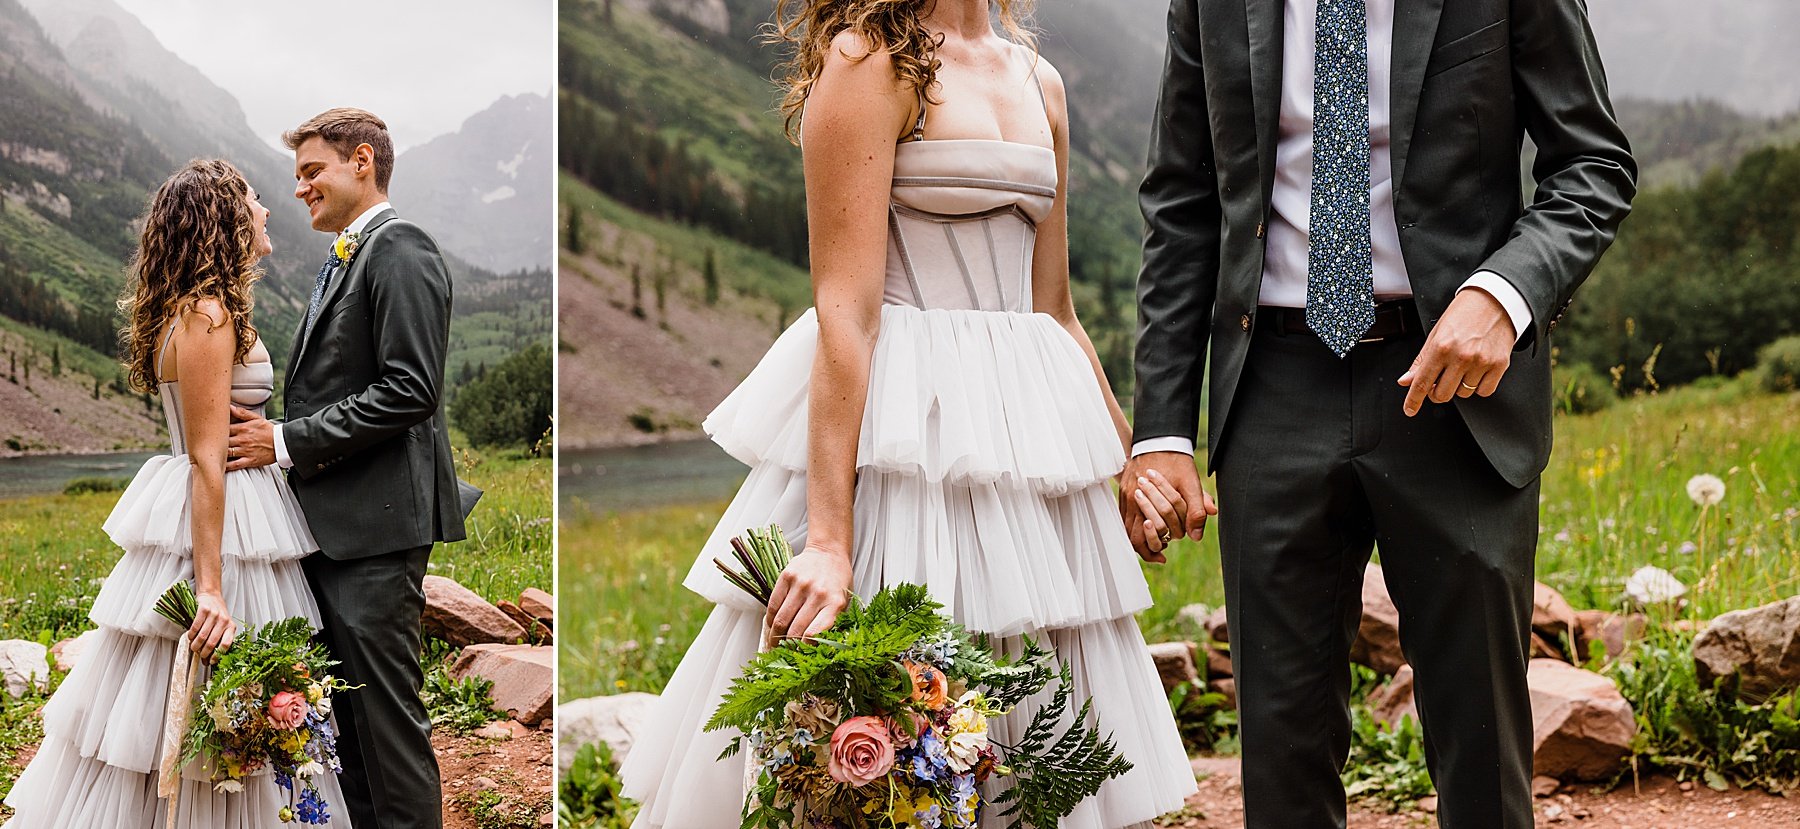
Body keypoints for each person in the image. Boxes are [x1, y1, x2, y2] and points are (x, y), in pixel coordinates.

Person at [618, 0, 1198, 825]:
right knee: (893, 728)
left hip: (1022, 438)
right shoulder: (869, 63)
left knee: (1033, 722)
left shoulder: (1044, 83)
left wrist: (1126, 459)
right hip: (906, 439)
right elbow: (844, 312)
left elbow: (1057, 311)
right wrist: (827, 538)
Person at [1122, 0, 1636, 825]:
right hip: (1271, 387)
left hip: (1453, 389)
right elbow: (1181, 202)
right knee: (1280, 746)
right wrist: (1162, 430)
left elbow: (1594, 165)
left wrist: (1504, 297)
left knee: (1481, 746)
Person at [2, 159, 352, 827]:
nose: (267, 209)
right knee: (213, 687)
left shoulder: (195, 309)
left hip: (231, 507)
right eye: (254, 198)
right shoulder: (208, 313)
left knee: (226, 697)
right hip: (219, 522)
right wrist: (212, 587)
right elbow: (204, 458)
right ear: (224, 217)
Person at [225, 108, 470, 829]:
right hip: (338, 532)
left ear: (362, 161)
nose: (300, 188)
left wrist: (284, 439)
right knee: (351, 740)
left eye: (311, 171)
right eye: (296, 175)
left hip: (376, 533)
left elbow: (410, 389)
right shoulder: (352, 254)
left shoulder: (400, 249)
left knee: (389, 737)